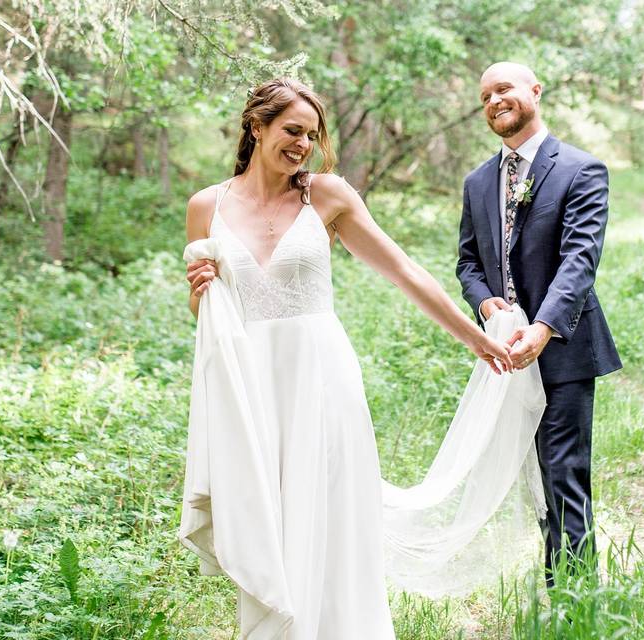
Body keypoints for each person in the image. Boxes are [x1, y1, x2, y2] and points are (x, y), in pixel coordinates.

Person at [181, 78, 517, 639]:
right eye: (291, 131)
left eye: (311, 136)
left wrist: (476, 337)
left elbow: (404, 271)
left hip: (322, 380)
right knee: (269, 517)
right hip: (251, 385)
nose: (302, 146)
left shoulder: (328, 195)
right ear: (256, 126)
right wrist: (199, 289)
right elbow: (208, 315)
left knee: (331, 516)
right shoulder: (205, 207)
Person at [457, 62, 623, 582]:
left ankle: (576, 601)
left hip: (564, 347)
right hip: (505, 353)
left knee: (563, 471)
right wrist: (486, 305)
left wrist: (544, 327)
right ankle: (557, 582)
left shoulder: (580, 169)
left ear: (535, 91)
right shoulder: (478, 182)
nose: (493, 102)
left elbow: (580, 259)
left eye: (503, 89)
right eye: (484, 96)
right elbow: (467, 262)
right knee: (526, 473)